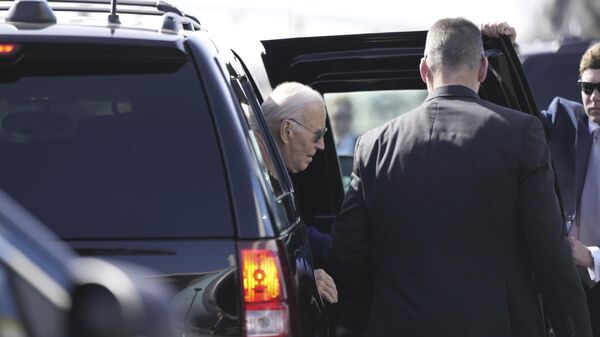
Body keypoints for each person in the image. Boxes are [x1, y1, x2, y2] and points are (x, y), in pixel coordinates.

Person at [331, 17, 592, 337]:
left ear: (424, 70)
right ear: (483, 69)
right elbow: (549, 251)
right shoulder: (520, 134)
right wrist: (574, 327)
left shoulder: (374, 144)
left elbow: (348, 250)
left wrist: (370, 312)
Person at [483, 22, 600, 336]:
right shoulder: (565, 119)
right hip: (565, 281)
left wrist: (592, 256)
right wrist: (504, 53)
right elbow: (517, 118)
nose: (594, 96)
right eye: (587, 87)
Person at [259, 81, 338, 304]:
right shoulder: (244, 185)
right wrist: (298, 279)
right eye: (317, 135)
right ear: (287, 131)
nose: (321, 145)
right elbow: (239, 262)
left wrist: (336, 247)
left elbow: (296, 232)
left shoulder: (268, 178)